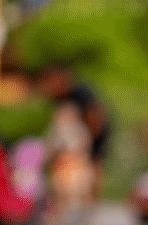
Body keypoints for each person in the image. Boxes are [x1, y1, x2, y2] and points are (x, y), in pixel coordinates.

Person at [37, 63, 111, 204]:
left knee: (93, 165)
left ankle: (91, 202)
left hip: (90, 134)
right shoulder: (59, 98)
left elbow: (95, 116)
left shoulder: (80, 92)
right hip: (75, 138)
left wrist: (86, 141)